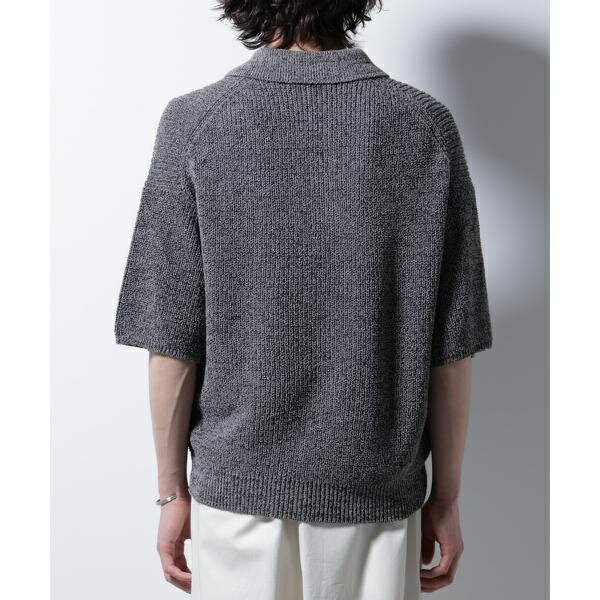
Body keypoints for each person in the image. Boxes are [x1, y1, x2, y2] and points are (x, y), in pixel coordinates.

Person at [115, 1, 492, 598]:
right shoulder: (423, 124)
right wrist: (445, 498)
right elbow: (451, 344)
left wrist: (171, 493)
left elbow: (170, 337)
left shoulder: (196, 122)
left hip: (237, 497)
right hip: (375, 497)